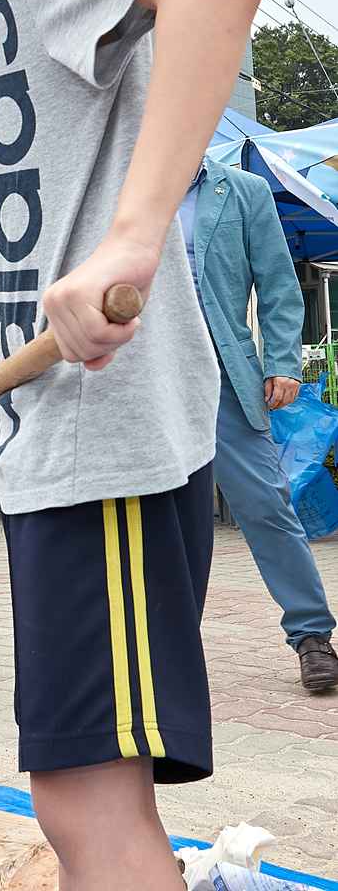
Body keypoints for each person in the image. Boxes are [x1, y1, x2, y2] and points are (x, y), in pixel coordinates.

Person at [0, 0, 264, 887]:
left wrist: (134, 235)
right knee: (77, 804)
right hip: (43, 437)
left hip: (108, 431)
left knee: (92, 800)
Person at [183, 157, 338, 691]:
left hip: (227, 375)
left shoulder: (243, 190)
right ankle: (171, 644)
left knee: (268, 506)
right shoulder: (124, 183)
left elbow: (276, 282)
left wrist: (282, 363)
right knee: (171, 518)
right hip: (149, 381)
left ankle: (312, 635)